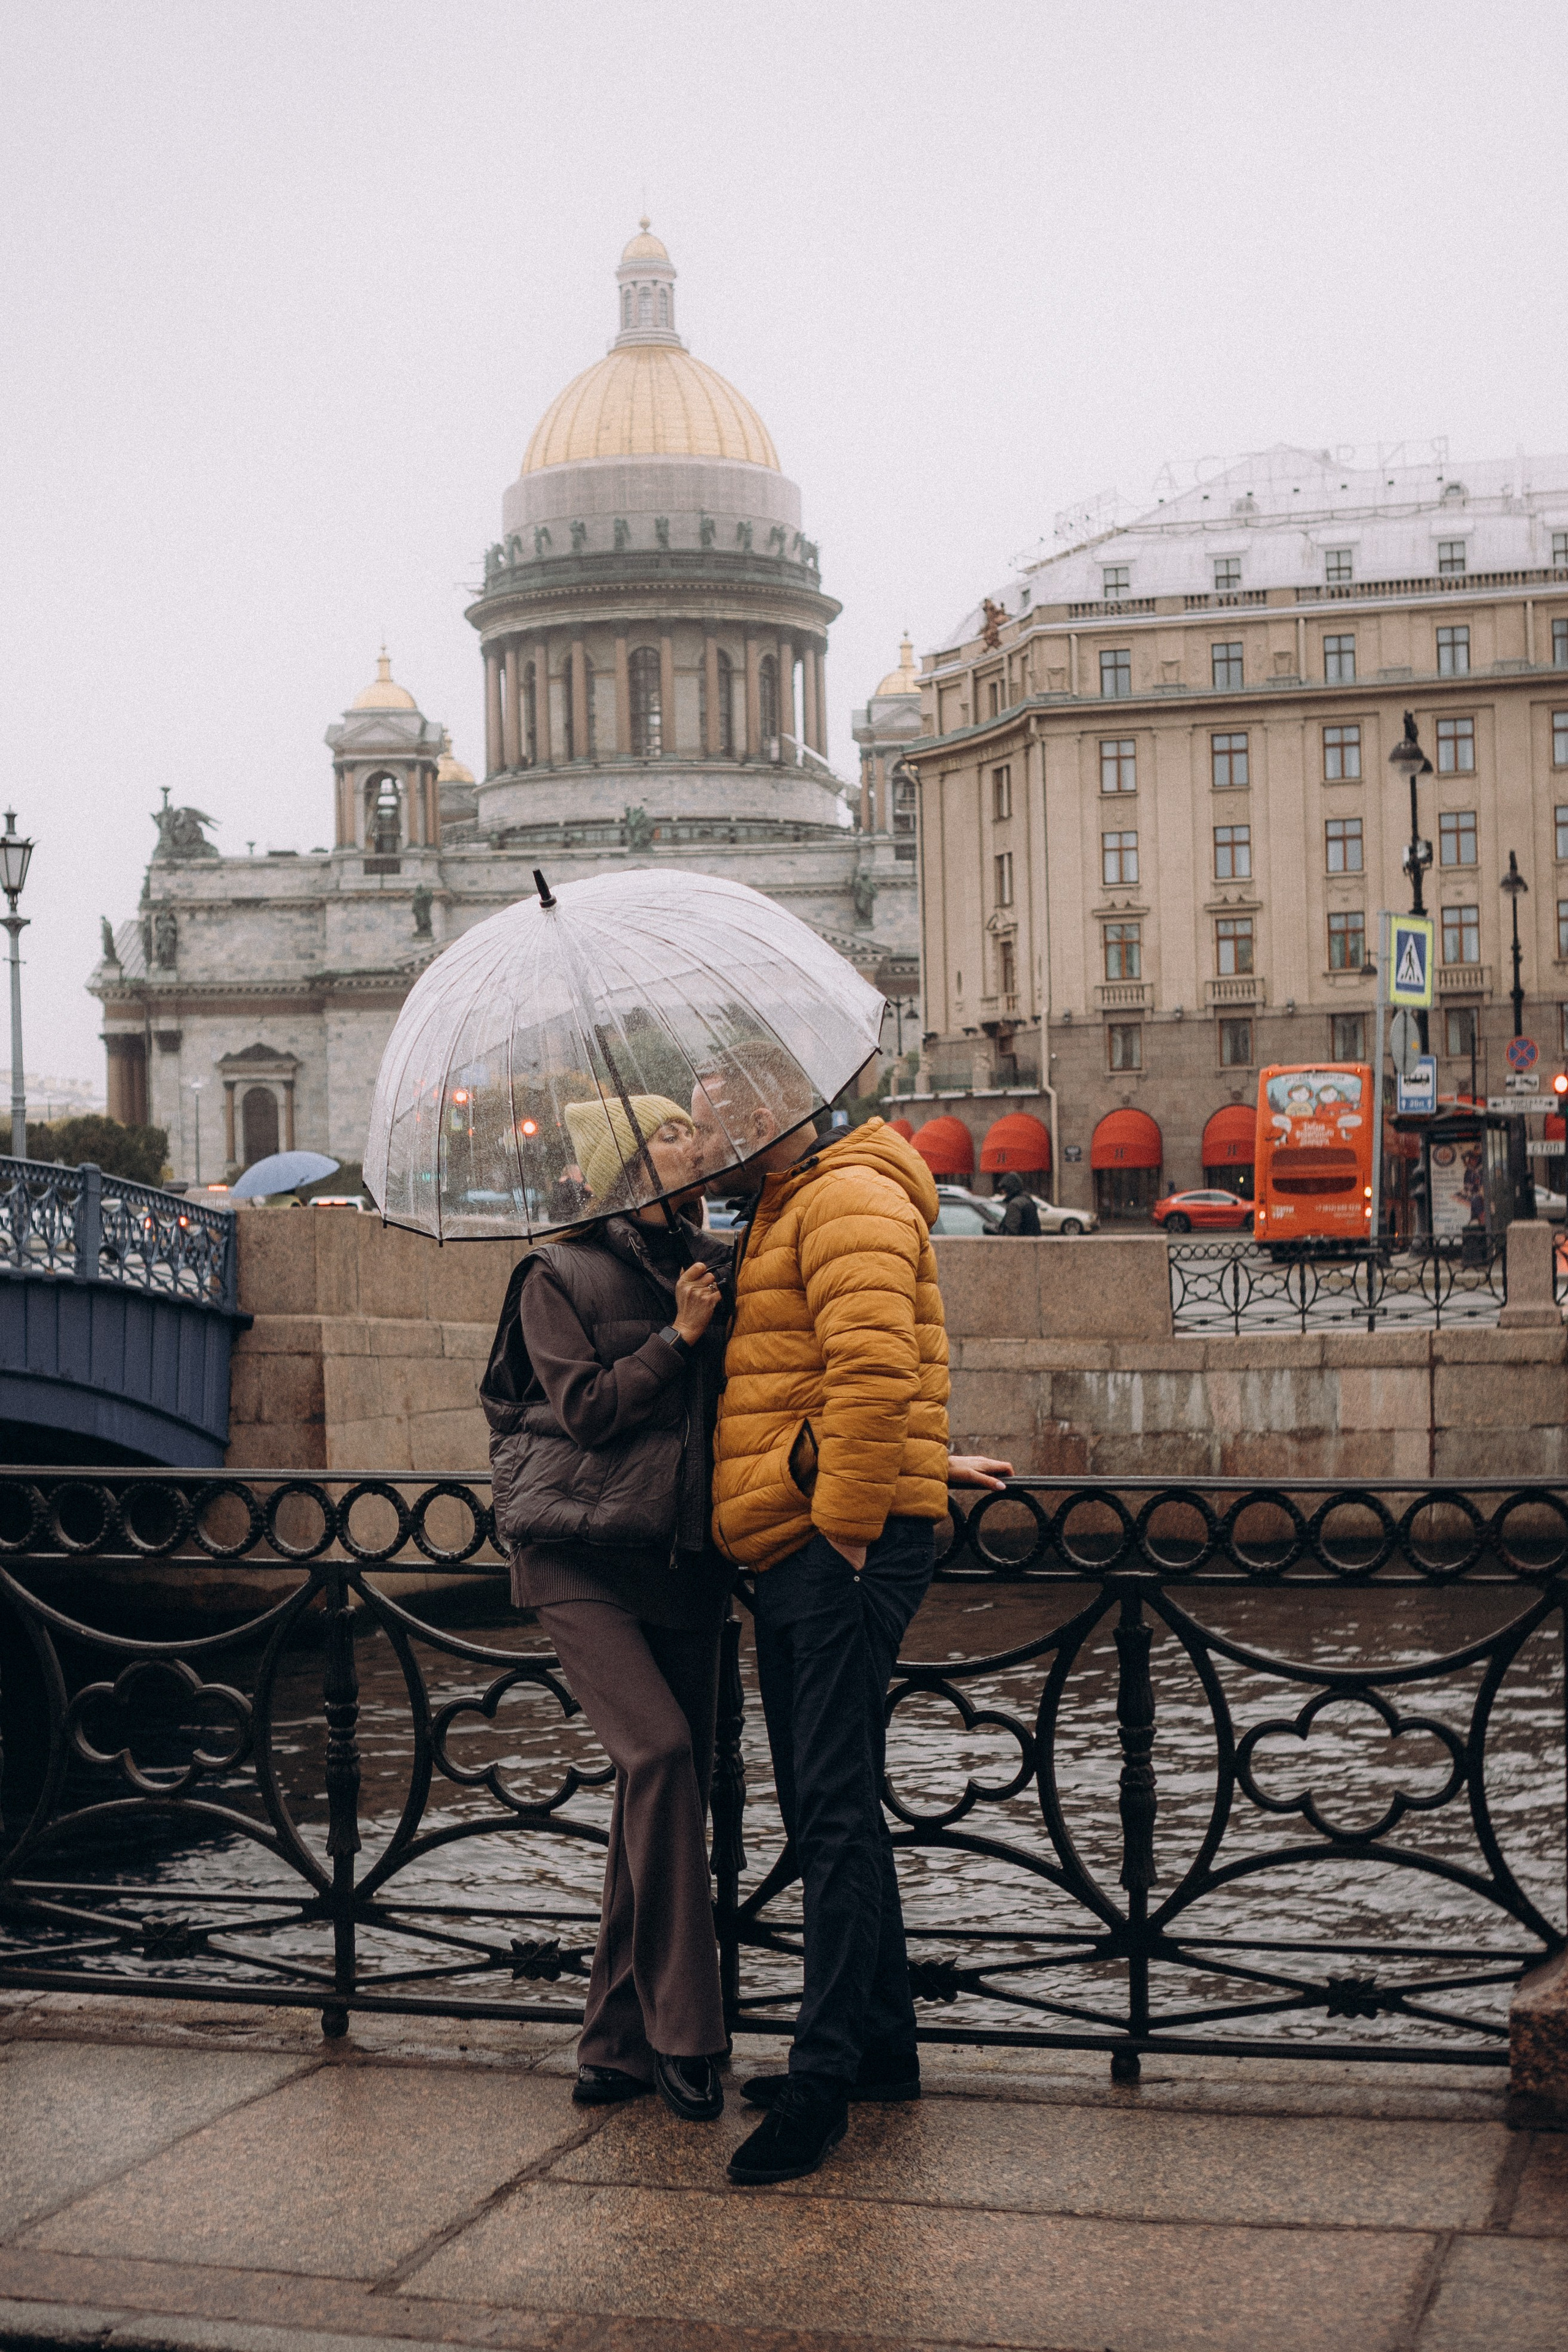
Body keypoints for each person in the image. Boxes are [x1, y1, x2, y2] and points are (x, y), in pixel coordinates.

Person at [689, 1047, 1011, 2187]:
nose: (707, 1134)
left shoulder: (847, 1197)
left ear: (772, 1109)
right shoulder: (794, 1205)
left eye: (713, 1113)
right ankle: (880, 2050)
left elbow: (873, 1376)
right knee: (841, 1807)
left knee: (828, 1818)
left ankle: (821, 2092)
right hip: (806, 1541)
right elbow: (833, 1374)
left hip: (831, 1550)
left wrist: (848, 1530)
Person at [480, 1093, 733, 2124]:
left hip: (681, 1555)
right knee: (662, 1755)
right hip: (576, 1549)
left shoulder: (710, 1259)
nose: (689, 1143)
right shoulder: (554, 1273)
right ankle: (686, 2035)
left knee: (659, 1792)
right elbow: (582, 1411)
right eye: (667, 1132)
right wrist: (678, 1336)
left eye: (686, 1129)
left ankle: (611, 2041)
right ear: (622, 1161)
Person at [989, 1170, 1041, 1235]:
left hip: (1021, 1244)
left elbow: (1011, 1232)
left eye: (1004, 1188)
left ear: (1009, 1188)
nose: (1002, 1192)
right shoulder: (1027, 1200)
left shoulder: (1015, 1205)